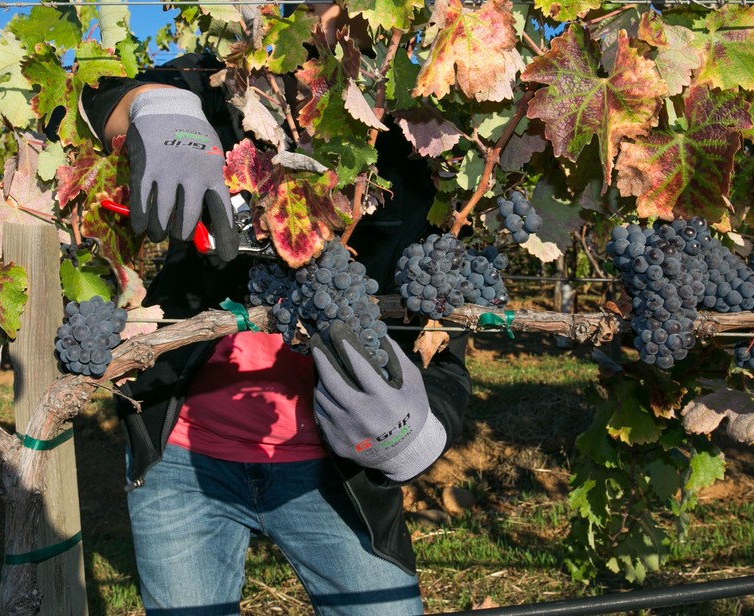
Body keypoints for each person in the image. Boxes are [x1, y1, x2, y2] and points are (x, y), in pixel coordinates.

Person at [79, 5, 472, 615]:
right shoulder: (243, 85)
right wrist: (163, 108)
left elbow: (445, 328)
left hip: (338, 470)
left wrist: (422, 431)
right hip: (181, 455)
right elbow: (103, 96)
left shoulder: (424, 144)